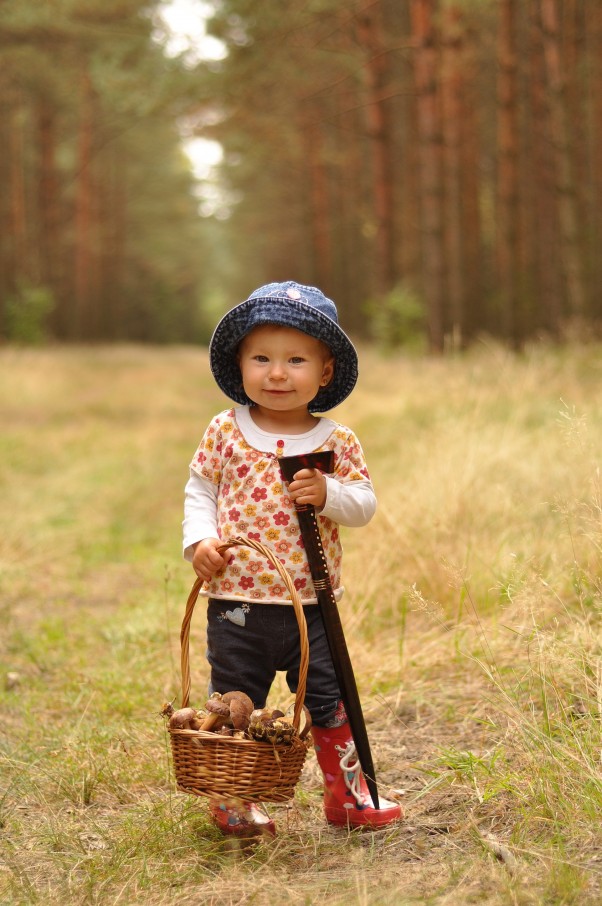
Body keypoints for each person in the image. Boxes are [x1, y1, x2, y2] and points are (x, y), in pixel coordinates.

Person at [183, 280, 402, 836]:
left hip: (312, 605)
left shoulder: (336, 441)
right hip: (238, 601)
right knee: (236, 701)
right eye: (261, 358)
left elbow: (364, 505)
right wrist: (199, 541)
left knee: (332, 702)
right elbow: (200, 490)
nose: (277, 373)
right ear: (240, 363)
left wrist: (329, 493)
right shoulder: (225, 432)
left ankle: (349, 795)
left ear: (325, 372)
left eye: (296, 360)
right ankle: (235, 799)